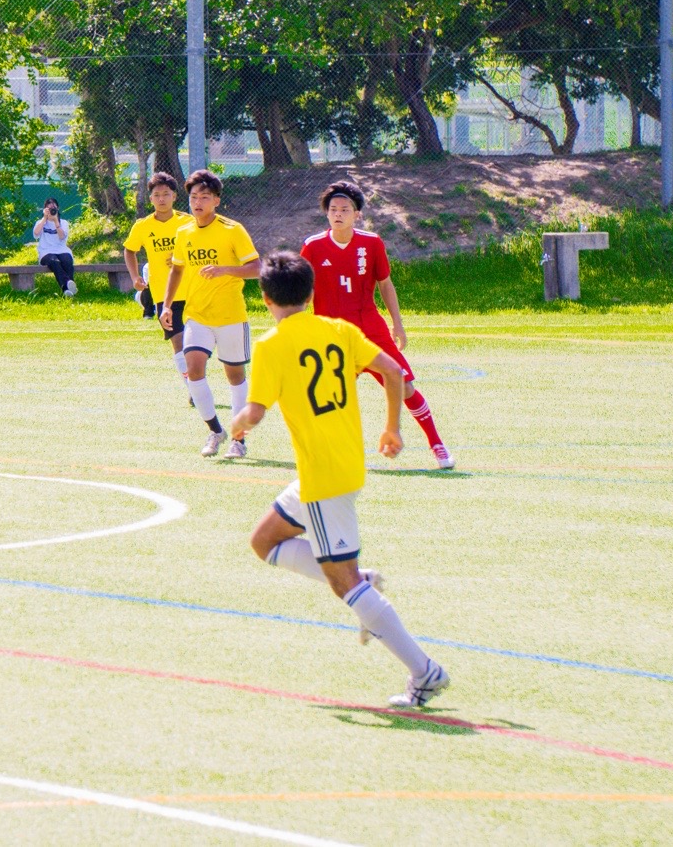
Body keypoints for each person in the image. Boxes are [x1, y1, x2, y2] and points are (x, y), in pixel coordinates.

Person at [231, 252, 451, 709]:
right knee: (264, 541)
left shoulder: (272, 345)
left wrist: (238, 425)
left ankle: (425, 671)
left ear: (265, 298)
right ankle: (362, 582)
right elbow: (393, 371)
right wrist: (392, 428)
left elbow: (254, 413)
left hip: (323, 477)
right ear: (311, 293)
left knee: (342, 582)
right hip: (341, 464)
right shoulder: (339, 330)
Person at [300, 180, 455, 470]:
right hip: (332, 333)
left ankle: (437, 445)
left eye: (345, 209)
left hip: (370, 330)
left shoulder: (371, 243)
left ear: (357, 214)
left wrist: (397, 324)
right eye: (333, 209)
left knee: (404, 386)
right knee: (330, 396)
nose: (338, 214)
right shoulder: (313, 246)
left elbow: (385, 284)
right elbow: (302, 289)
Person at [159, 170, 260, 457]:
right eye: (193, 197)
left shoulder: (232, 230)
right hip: (197, 316)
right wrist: (167, 305)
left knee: (235, 376)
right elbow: (177, 269)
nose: (198, 202)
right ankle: (215, 431)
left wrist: (224, 269)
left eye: (204, 197)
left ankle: (238, 439)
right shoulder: (184, 232)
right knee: (193, 368)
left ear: (216, 200)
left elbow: (257, 268)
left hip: (230, 316)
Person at [122, 172, 194, 407]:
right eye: (157, 195)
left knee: (196, 344)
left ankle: (197, 382)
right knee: (178, 342)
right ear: (150, 198)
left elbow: (200, 246)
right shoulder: (143, 226)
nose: (161, 199)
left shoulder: (187, 222)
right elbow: (130, 250)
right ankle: (193, 389)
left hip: (193, 291)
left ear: (174, 196)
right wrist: (135, 277)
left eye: (166, 194)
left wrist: (182, 256)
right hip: (164, 295)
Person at [33, 198, 77, 296]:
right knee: (54, 261)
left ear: (58, 209)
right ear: (45, 210)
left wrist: (56, 221)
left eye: (53, 208)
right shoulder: (40, 222)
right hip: (46, 252)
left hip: (61, 250)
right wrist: (44, 218)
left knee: (67, 260)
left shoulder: (63, 223)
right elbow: (36, 233)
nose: (51, 211)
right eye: (49, 209)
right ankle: (68, 284)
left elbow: (62, 237)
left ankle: (67, 291)